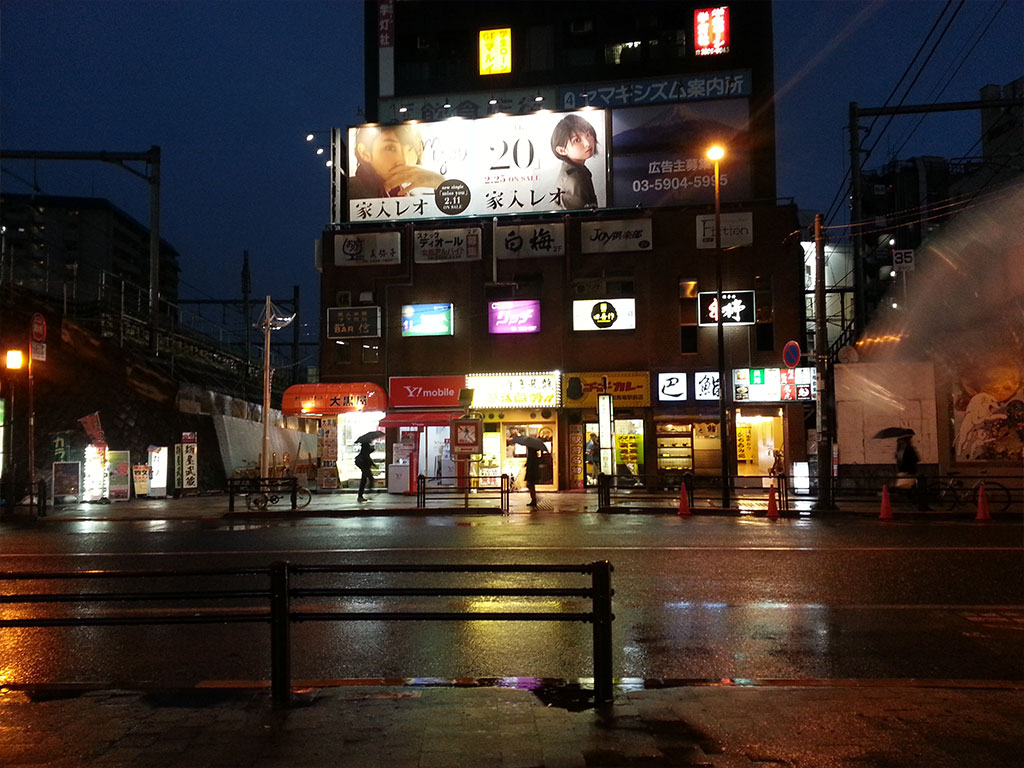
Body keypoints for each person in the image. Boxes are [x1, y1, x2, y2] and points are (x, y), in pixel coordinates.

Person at [348, 124, 445, 199]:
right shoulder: (350, 191)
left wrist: (442, 184)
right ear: (364, 152)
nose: (404, 161)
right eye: (390, 148)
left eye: (410, 149)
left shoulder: (411, 194)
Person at [550, 114, 598, 210]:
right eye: (577, 140)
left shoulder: (577, 171)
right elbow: (579, 221)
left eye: (588, 134)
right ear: (562, 150)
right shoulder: (573, 179)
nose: (587, 143)